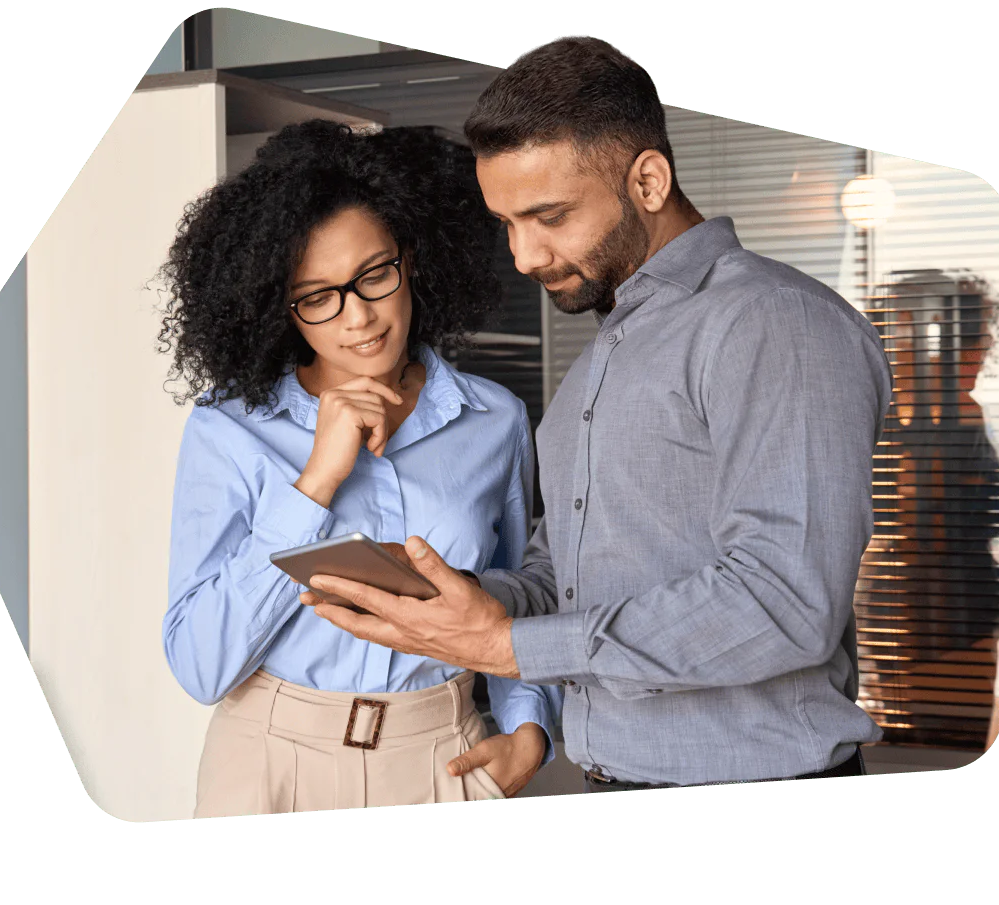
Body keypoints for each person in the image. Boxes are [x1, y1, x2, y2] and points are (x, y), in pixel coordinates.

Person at [300, 35, 893, 792]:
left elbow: (783, 601)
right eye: (507, 223)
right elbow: (572, 571)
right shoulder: (600, 362)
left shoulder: (772, 323)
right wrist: (479, 604)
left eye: (548, 216)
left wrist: (515, 647)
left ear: (647, 180)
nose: (522, 255)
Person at [157, 120, 559, 817]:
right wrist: (315, 480)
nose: (358, 317)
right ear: (280, 309)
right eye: (318, 296)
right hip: (271, 763)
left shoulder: (495, 420)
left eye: (375, 275)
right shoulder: (227, 429)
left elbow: (520, 593)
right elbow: (201, 664)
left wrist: (531, 726)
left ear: (413, 259)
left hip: (442, 755)